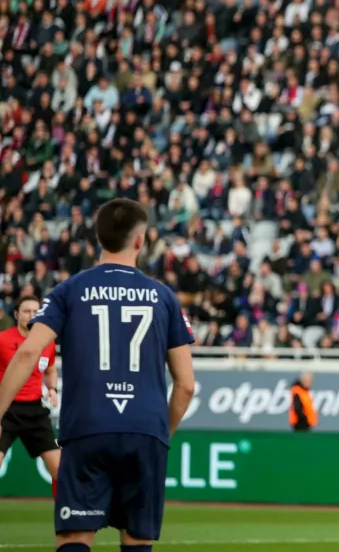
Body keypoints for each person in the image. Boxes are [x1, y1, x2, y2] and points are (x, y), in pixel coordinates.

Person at [0, 198, 196, 552]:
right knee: (137, 539)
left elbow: (28, 351)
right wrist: (160, 434)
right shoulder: (164, 297)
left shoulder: (69, 290)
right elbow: (186, 385)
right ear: (141, 240)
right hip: (145, 430)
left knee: (75, 536)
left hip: (87, 427)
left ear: (98, 237)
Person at [0, 295, 60, 498]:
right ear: (16, 314)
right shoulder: (2, 339)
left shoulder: (47, 342)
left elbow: (51, 370)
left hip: (35, 410)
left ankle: (67, 514)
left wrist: (52, 389)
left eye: (36, 311)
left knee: (60, 470)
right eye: (26, 311)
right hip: (6, 409)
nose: (31, 315)